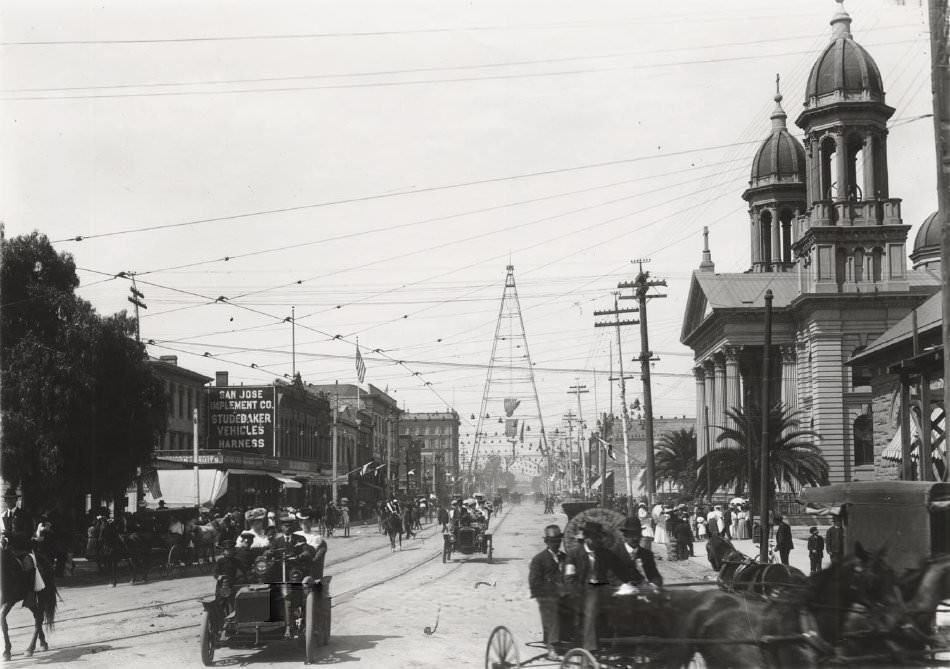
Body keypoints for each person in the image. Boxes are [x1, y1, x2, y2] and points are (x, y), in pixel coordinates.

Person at [564, 521, 635, 652]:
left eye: (599, 537)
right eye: (595, 537)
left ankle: (624, 646)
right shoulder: (573, 555)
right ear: (586, 538)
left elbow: (619, 572)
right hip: (581, 594)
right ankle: (590, 647)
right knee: (592, 601)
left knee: (628, 602)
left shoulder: (605, 554)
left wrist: (626, 584)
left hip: (603, 591)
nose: (598, 540)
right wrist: (580, 593)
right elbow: (569, 580)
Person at [529, 524, 566, 661]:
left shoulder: (564, 557)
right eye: (553, 541)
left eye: (558, 541)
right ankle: (552, 647)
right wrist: (551, 590)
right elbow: (534, 583)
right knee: (553, 608)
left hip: (564, 594)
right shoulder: (539, 559)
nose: (556, 544)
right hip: (545, 596)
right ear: (547, 542)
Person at [613, 516, 662, 586]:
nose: (635, 538)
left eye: (638, 534)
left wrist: (652, 586)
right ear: (625, 536)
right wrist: (625, 586)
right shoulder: (615, 553)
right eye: (632, 535)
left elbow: (655, 577)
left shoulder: (647, 554)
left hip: (644, 593)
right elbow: (611, 578)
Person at [293, 508, 328, 580]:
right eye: (303, 522)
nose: (305, 524)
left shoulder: (316, 537)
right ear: (300, 524)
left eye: (307, 522)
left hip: (307, 563)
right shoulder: (296, 534)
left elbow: (312, 552)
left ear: (311, 523)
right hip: (293, 562)